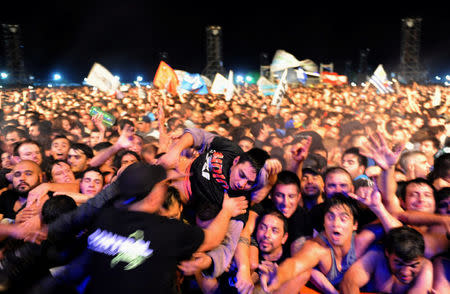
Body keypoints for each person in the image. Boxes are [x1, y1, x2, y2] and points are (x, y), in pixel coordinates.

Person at [31, 162, 248, 294]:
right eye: (163, 186)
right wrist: (227, 210)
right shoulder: (168, 231)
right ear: (153, 195)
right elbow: (212, 238)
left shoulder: (105, 218)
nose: (165, 190)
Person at [258, 189, 402, 294]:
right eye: (330, 217)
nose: (336, 224)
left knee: (379, 254)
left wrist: (379, 209)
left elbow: (403, 236)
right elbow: (295, 264)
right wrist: (279, 276)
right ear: (324, 223)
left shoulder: (362, 240)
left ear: (355, 225)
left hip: (374, 289)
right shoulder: (317, 247)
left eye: (343, 218)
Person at [340, 226, 433, 294]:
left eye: (413, 265)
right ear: (387, 253)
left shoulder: (425, 268)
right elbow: (348, 282)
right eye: (399, 263)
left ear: (422, 257)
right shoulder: (376, 255)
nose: (405, 272)